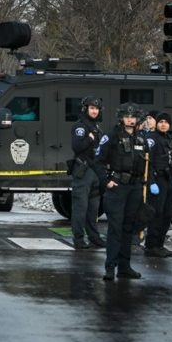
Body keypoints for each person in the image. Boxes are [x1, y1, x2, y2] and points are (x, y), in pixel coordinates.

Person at [97, 103, 149, 280]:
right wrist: (106, 181)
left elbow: (146, 162)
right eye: (127, 116)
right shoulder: (111, 136)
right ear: (121, 118)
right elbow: (98, 161)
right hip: (117, 186)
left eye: (133, 116)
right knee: (115, 228)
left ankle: (125, 267)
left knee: (129, 228)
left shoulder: (141, 138)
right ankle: (110, 267)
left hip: (134, 187)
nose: (130, 119)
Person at [70, 96, 106, 249]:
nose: (94, 111)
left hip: (95, 171)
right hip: (83, 171)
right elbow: (77, 147)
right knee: (81, 208)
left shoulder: (97, 127)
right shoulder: (80, 127)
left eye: (96, 108)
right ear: (85, 109)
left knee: (93, 209)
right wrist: (90, 139)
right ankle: (78, 239)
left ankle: (94, 237)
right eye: (91, 108)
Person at [143, 112, 172, 257]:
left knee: (167, 214)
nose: (163, 124)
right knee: (156, 214)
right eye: (161, 122)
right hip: (158, 181)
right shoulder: (151, 139)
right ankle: (151, 245)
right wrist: (151, 182)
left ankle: (160, 244)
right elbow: (148, 163)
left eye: (166, 122)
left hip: (170, 179)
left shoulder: (171, 140)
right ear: (157, 124)